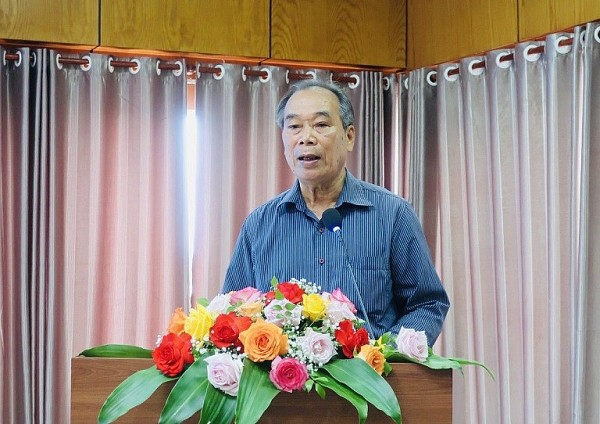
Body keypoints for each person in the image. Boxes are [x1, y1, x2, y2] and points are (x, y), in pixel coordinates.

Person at [221, 79, 449, 346]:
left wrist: (386, 356)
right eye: (294, 127)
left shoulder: (392, 214)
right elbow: (232, 312)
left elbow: (427, 303)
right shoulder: (259, 225)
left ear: (349, 136)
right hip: (283, 385)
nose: (306, 138)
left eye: (320, 125)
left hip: (369, 381)